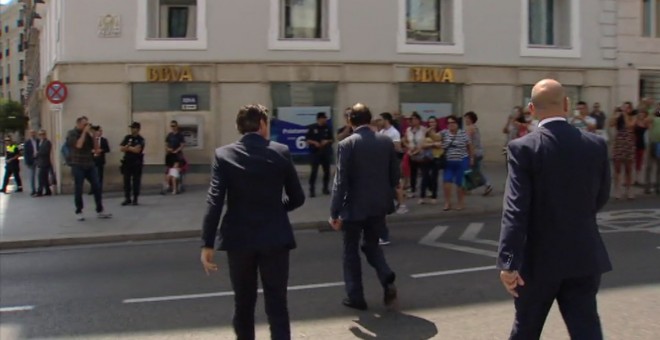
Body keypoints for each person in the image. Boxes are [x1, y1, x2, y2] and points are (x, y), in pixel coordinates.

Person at [497, 79, 612, 340]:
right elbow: (602, 195)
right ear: (567, 104)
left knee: (526, 328)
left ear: (531, 108)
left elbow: (516, 208)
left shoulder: (523, 147)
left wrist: (509, 262)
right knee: (587, 329)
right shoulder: (595, 144)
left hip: (538, 260)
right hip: (583, 253)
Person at [200, 104, 305, 340]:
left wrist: (207, 243)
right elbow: (297, 197)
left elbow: (214, 200)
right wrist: (278, 209)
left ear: (240, 127)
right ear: (263, 124)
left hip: (239, 239)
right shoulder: (280, 152)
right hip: (275, 237)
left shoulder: (223, 155)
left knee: (243, 303)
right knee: (277, 302)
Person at [329, 103, 398, 311]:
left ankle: (356, 296)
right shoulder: (386, 142)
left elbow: (341, 182)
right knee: (371, 245)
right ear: (369, 120)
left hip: (353, 207)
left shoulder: (347, 144)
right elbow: (395, 176)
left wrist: (334, 211)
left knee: (350, 251)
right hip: (378, 205)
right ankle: (386, 276)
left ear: (350, 121)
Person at [66, 117, 112, 220]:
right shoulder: (72, 133)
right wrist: (84, 133)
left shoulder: (88, 135)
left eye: (87, 124)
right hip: (77, 164)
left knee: (97, 186)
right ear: (78, 124)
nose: (86, 126)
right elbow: (78, 145)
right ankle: (79, 211)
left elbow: (96, 150)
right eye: (84, 124)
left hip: (90, 164)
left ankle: (100, 210)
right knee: (79, 188)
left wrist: (94, 137)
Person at [305, 112, 333, 197]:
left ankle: (325, 188)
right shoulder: (312, 128)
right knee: (314, 171)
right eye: (323, 118)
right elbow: (307, 139)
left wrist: (326, 141)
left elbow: (332, 139)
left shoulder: (328, 128)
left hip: (325, 152)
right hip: (315, 152)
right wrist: (314, 142)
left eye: (325, 118)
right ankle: (312, 190)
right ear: (319, 119)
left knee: (327, 171)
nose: (325, 120)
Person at [120, 122, 145, 206]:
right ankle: (127, 198)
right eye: (131, 128)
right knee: (126, 180)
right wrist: (131, 148)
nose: (131, 129)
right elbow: (121, 148)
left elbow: (137, 150)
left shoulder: (141, 139)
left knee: (136, 181)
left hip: (136, 163)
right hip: (127, 162)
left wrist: (128, 147)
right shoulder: (127, 137)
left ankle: (135, 198)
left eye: (133, 128)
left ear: (137, 129)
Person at [164, 120, 185, 190]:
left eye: (174, 126)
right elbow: (166, 145)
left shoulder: (180, 135)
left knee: (176, 171)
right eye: (171, 126)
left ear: (176, 126)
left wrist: (176, 151)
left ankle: (178, 185)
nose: (172, 127)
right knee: (169, 170)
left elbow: (182, 145)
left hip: (177, 155)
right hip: (170, 155)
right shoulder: (169, 135)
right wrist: (168, 149)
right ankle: (169, 185)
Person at [90, 126, 110, 195]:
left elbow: (107, 149)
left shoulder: (104, 140)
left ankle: (99, 189)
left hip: (100, 160)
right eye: (99, 131)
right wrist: (92, 151)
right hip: (92, 160)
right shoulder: (91, 140)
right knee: (92, 175)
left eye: (101, 131)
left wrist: (101, 150)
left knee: (100, 175)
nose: (100, 132)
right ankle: (92, 189)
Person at [35, 130, 53, 196]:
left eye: (42, 134)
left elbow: (46, 152)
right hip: (41, 162)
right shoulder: (40, 142)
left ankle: (39, 191)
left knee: (41, 177)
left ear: (45, 135)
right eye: (40, 134)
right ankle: (48, 190)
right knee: (44, 178)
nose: (41, 136)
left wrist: (38, 153)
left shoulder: (47, 142)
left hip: (45, 162)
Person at [23, 130, 39, 196]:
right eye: (31, 133)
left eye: (34, 133)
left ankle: (39, 189)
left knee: (39, 175)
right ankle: (33, 190)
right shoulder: (27, 143)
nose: (33, 135)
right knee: (32, 176)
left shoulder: (38, 141)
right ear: (30, 135)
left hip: (38, 160)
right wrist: (27, 162)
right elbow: (25, 153)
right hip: (31, 161)